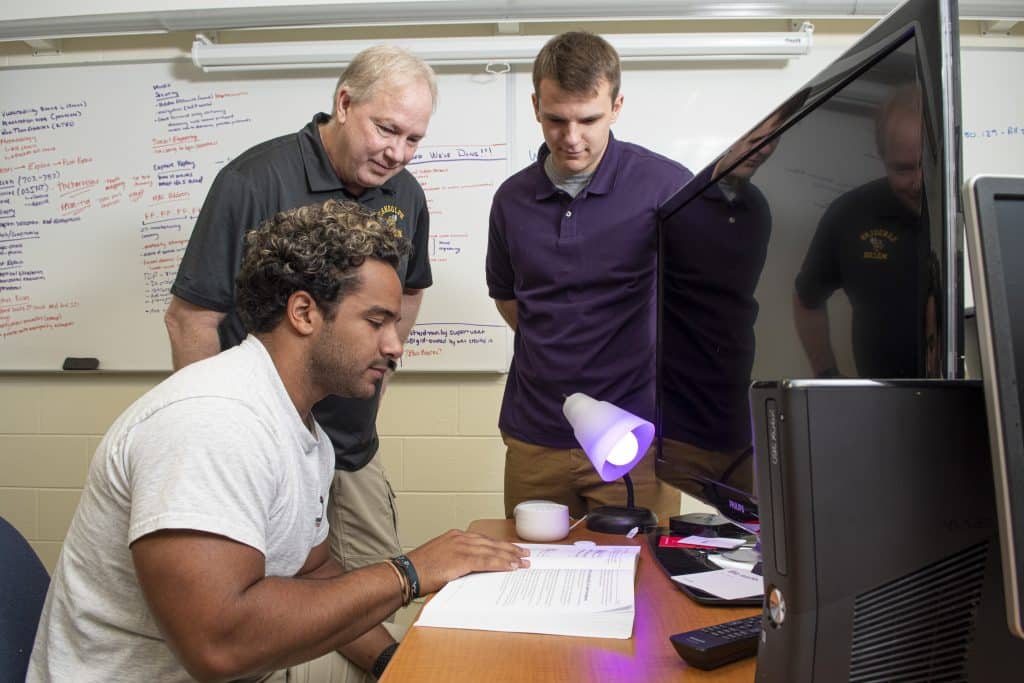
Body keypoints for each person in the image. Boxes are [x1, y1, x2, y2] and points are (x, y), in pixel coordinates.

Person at [28, 200, 529, 683]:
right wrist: (409, 573)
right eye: (376, 322)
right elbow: (218, 645)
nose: (395, 346)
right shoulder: (213, 421)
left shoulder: (302, 428)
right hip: (198, 669)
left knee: (456, 663)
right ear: (304, 313)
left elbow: (311, 576)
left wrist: (391, 663)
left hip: (254, 666)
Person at [165, 46, 432, 586]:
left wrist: (374, 375)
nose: (397, 152)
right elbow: (191, 318)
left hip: (350, 447)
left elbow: (409, 292)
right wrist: (214, 436)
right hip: (262, 448)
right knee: (264, 602)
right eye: (386, 129)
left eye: (413, 139)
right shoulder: (253, 181)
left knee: (378, 596)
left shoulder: (405, 194)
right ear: (343, 102)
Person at [486, 31, 688, 523]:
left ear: (616, 106)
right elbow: (510, 299)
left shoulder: (668, 188)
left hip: (636, 438)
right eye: (556, 119)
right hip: (537, 437)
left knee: (643, 588)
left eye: (589, 119)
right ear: (535, 105)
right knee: (532, 582)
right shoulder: (511, 200)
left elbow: (699, 308)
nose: (571, 138)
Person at [656, 91, 807, 502]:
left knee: (743, 550)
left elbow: (735, 309)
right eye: (753, 128)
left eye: (774, 133)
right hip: (674, 428)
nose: (763, 144)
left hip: (738, 423)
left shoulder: (757, 208)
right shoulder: (673, 201)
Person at [793, 83, 939, 379]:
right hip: (881, 406)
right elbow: (806, 299)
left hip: (978, 406)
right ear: (882, 158)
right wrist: (827, 378)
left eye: (928, 164)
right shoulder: (849, 214)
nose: (919, 182)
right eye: (903, 169)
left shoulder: (976, 211)